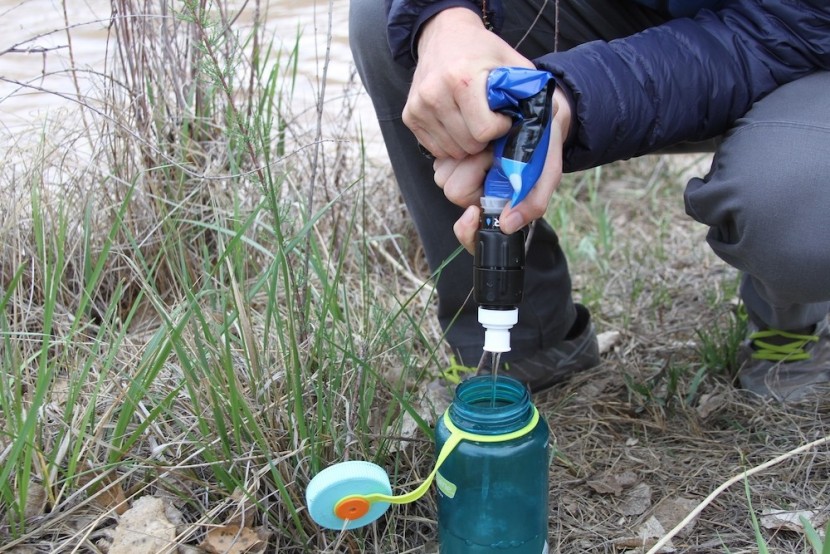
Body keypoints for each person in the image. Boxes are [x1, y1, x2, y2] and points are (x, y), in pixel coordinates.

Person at [349, 0, 830, 402]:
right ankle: (521, 348)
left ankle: (789, 321)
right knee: (391, 19)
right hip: (626, 10)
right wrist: (446, 17)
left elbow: (792, 26)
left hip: (798, 38)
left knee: (790, 207)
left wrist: (568, 98)